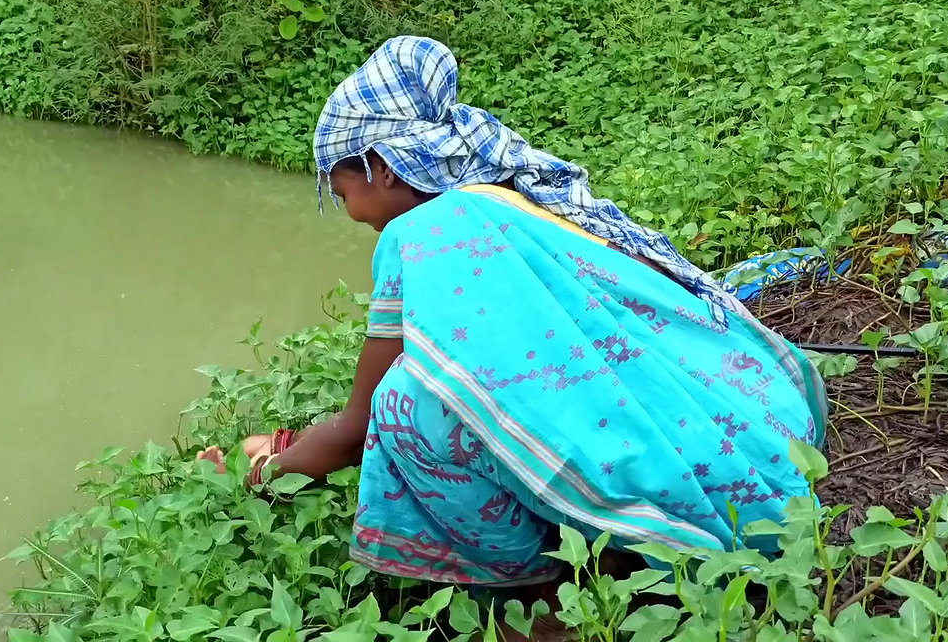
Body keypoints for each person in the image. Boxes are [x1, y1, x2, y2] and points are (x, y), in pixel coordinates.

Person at [198, 36, 826, 610]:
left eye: (341, 191)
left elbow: (359, 426)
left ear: (380, 167)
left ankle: (543, 600)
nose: (347, 211)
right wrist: (293, 441)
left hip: (687, 514)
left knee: (404, 403)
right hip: (760, 457)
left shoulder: (423, 233)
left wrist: (264, 471)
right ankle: (611, 539)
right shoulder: (506, 195)